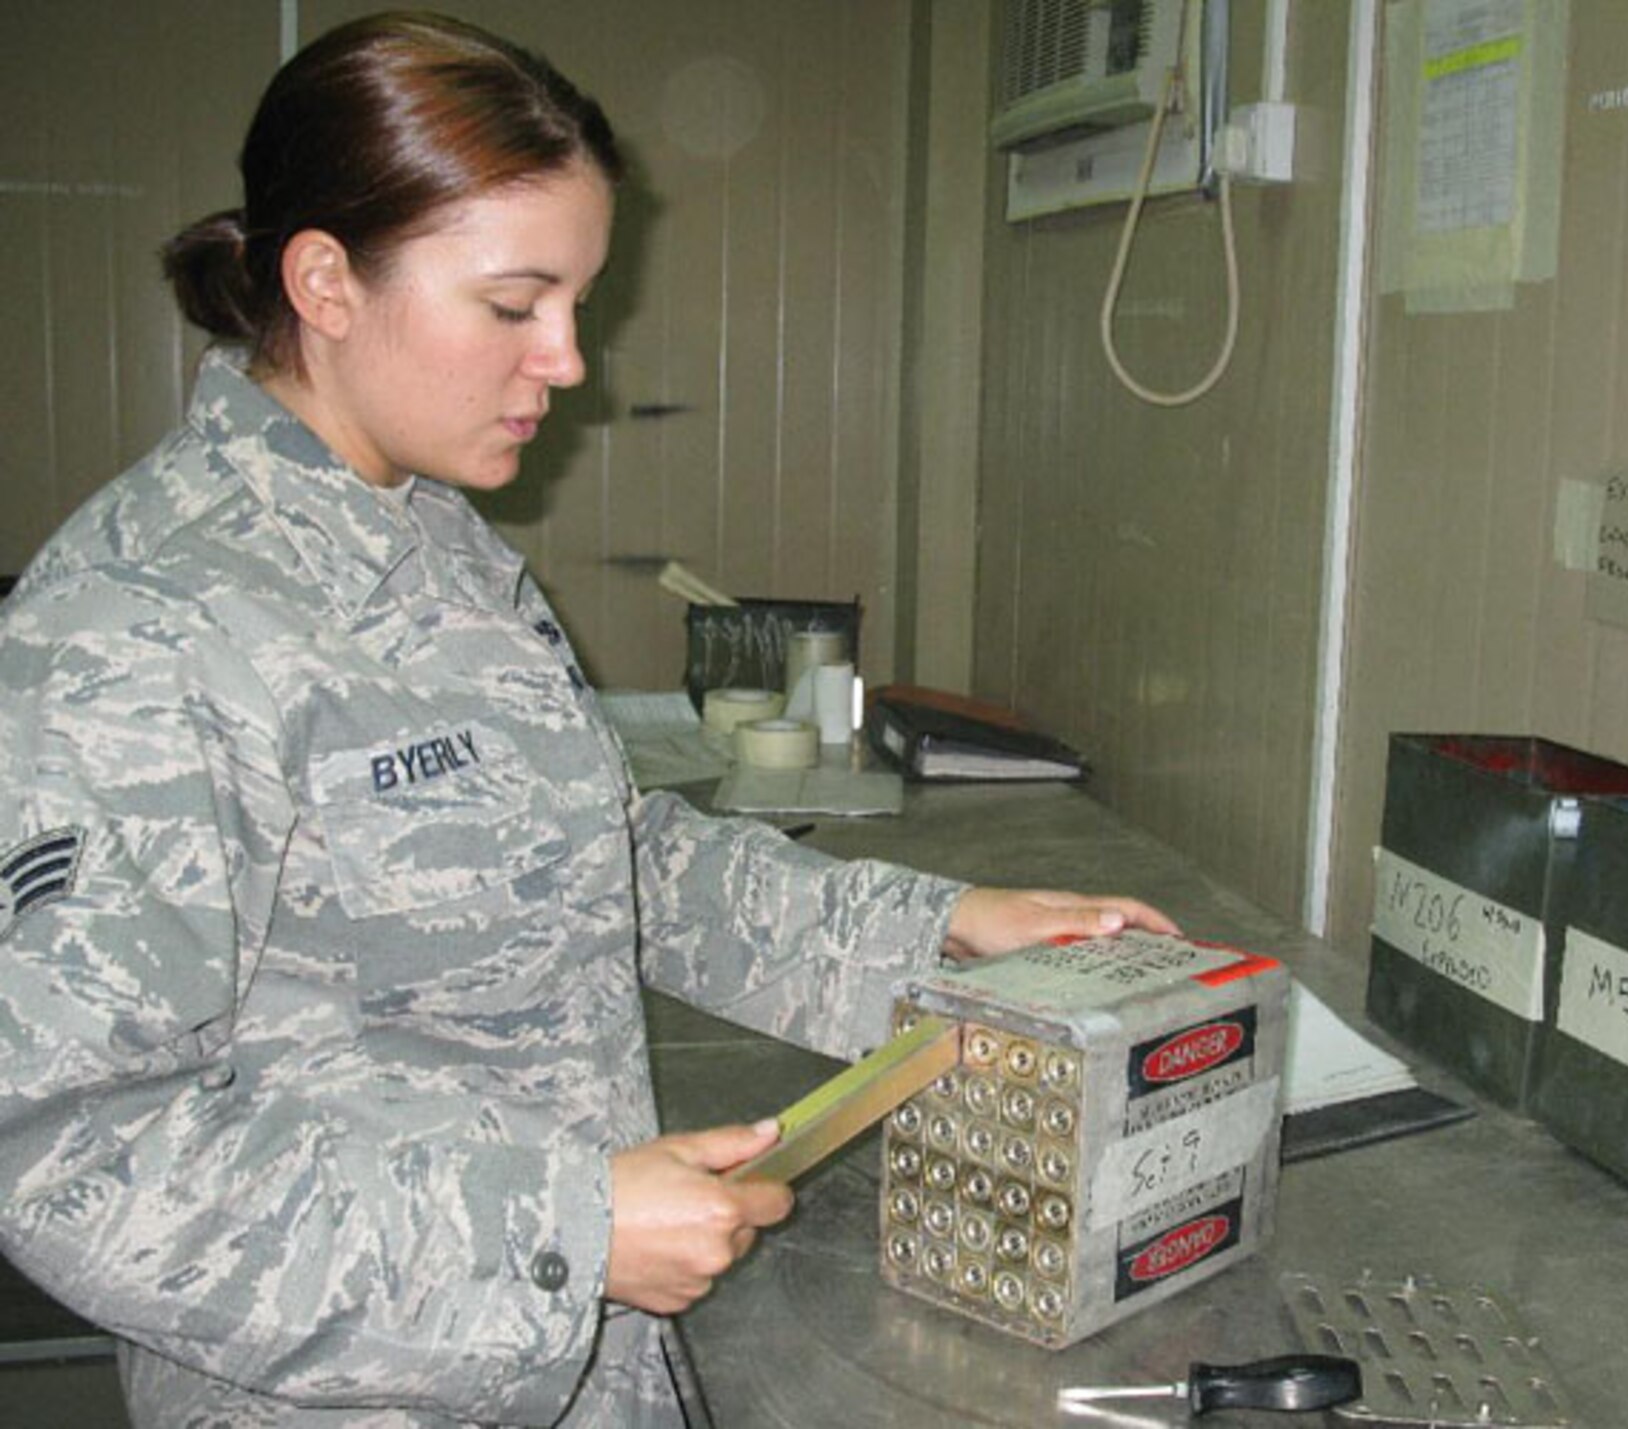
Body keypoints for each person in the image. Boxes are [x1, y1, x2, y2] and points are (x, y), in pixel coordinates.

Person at [0, 13, 1175, 1427]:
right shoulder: (140, 626)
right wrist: (563, 1231)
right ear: (325, 282)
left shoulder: (431, 537)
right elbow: (66, 1152)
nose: (567, 361)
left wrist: (942, 935)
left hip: (593, 1359)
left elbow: (608, 861)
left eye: (577, 301)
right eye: (515, 305)